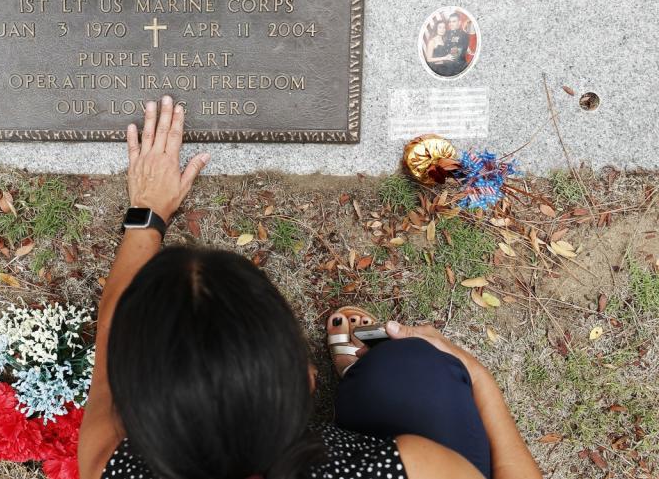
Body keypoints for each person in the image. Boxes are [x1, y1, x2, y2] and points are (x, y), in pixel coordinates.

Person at [79, 96, 541, 479]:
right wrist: (475, 372)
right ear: (305, 379)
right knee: (419, 371)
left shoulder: (110, 467)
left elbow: (111, 336)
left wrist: (147, 214)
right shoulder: (406, 467)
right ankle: (379, 374)